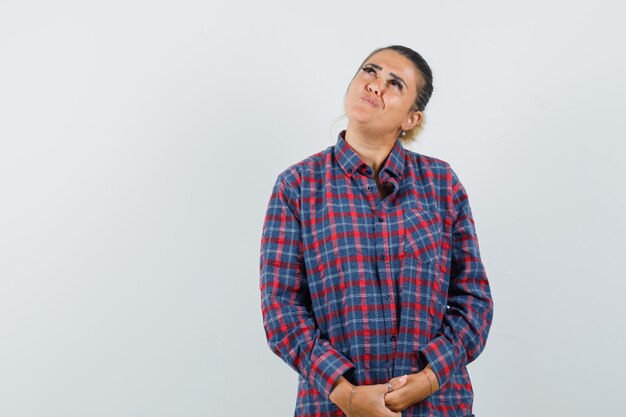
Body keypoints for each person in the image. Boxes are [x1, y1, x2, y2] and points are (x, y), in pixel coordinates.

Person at [259, 45, 494, 417]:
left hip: (438, 406)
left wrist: (430, 378)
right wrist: (346, 393)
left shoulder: (441, 184)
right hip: (333, 408)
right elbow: (281, 310)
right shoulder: (298, 186)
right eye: (370, 71)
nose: (375, 85)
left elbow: (473, 300)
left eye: (394, 83)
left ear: (411, 119)